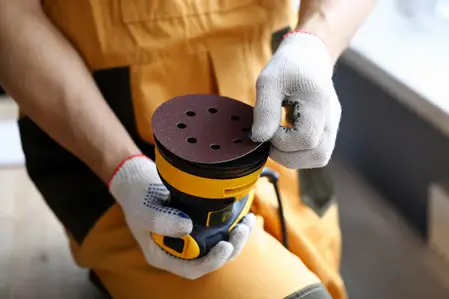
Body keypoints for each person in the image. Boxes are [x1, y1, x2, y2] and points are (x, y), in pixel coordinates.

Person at [0, 0, 375, 298]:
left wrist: (313, 44)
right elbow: (10, 14)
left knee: (319, 280)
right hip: (123, 164)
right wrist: (123, 171)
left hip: (272, 144)